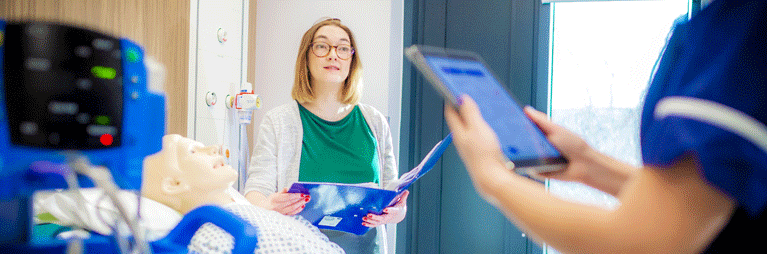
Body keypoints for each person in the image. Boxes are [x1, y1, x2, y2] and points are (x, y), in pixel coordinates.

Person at [444, 0, 766, 253]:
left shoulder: (742, 31)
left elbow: (641, 241)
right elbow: (699, 202)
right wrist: (588, 163)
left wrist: (491, 175)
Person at [242, 18, 407, 254]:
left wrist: (397, 212)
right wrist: (268, 203)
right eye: (322, 46)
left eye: (342, 48)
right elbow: (255, 192)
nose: (333, 55)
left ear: (352, 59)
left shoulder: (375, 122)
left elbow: (393, 196)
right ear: (306, 57)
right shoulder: (278, 122)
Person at [142, 134, 345, 253]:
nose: (214, 148)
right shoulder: (211, 238)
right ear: (174, 183)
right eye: (194, 151)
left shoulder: (269, 217)